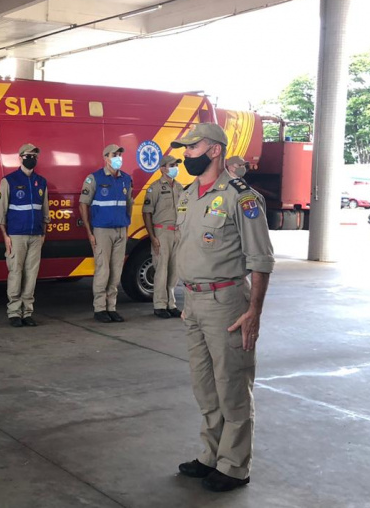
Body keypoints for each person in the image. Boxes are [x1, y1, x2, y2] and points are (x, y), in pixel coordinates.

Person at [171, 123, 274, 493]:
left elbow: (261, 259)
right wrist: (187, 299)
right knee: (204, 386)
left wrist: (254, 312)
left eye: (193, 147)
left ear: (215, 150)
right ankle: (211, 455)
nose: (187, 155)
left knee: (232, 385)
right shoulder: (188, 195)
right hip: (195, 301)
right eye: (185, 149)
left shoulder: (240, 197)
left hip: (228, 301)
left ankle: (234, 465)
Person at [0, 144, 49, 328]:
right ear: (20, 157)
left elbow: (45, 211)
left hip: (35, 235)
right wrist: (5, 236)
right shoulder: (8, 180)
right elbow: (0, 213)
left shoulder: (41, 182)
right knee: (16, 273)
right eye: (28, 155)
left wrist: (43, 233)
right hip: (15, 235)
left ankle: (27, 312)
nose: (31, 158)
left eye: (34, 155)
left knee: (31, 275)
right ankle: (14, 312)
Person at [79, 144, 133, 323]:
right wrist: (89, 232)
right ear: (105, 158)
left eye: (120, 154)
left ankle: (112, 307)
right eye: (114, 155)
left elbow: (128, 204)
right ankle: (100, 308)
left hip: (120, 230)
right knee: (103, 270)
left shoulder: (126, 179)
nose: (118, 157)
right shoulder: (94, 178)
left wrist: (126, 227)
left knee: (116, 271)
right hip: (102, 231)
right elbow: (83, 204)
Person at [142, 155, 185, 319]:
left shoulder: (179, 188)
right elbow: (147, 213)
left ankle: (171, 304)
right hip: (162, 232)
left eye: (176, 165)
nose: (175, 168)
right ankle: (159, 305)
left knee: (174, 271)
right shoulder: (155, 188)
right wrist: (152, 237)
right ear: (162, 168)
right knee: (161, 269)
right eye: (172, 165)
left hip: (177, 232)